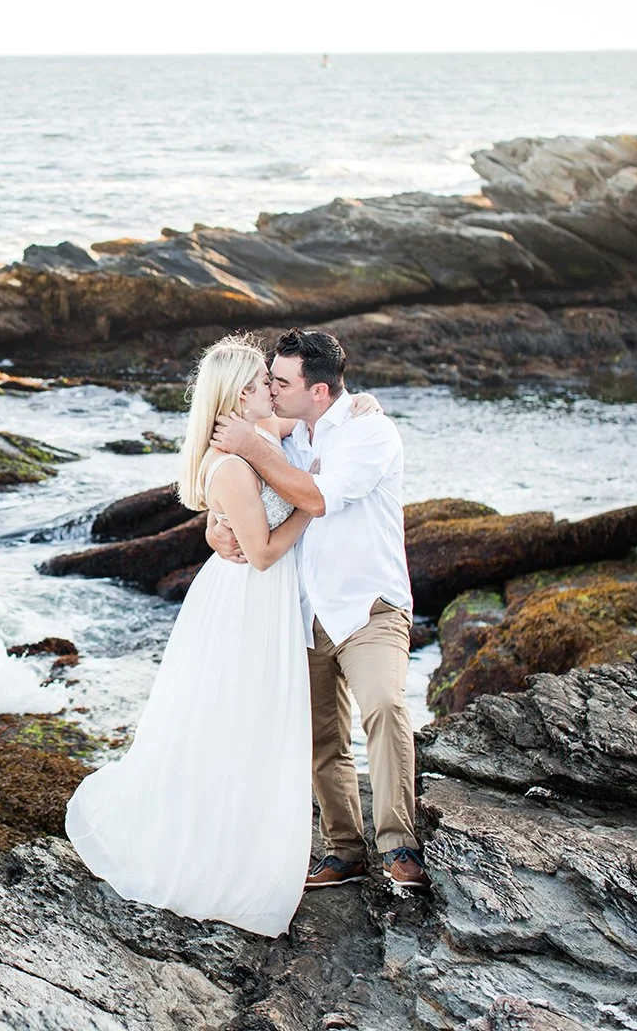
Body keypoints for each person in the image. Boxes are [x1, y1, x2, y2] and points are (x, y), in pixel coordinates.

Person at [63, 335, 314, 935]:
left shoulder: (256, 438)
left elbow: (294, 424)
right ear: (236, 397)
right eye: (260, 385)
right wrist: (313, 506)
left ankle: (243, 847)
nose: (271, 392)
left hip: (261, 603)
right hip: (247, 601)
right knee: (230, 724)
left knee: (250, 726)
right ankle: (217, 862)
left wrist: (359, 408)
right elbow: (260, 554)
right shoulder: (229, 466)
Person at [207, 328, 426, 891]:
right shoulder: (287, 428)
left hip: (367, 607)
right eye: (270, 380)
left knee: (383, 705)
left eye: (281, 381)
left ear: (320, 391)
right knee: (319, 736)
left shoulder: (369, 432)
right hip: (301, 611)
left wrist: (252, 447)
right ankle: (344, 850)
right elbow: (224, 477)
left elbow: (319, 497)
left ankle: (400, 845)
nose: (271, 389)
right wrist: (214, 526)